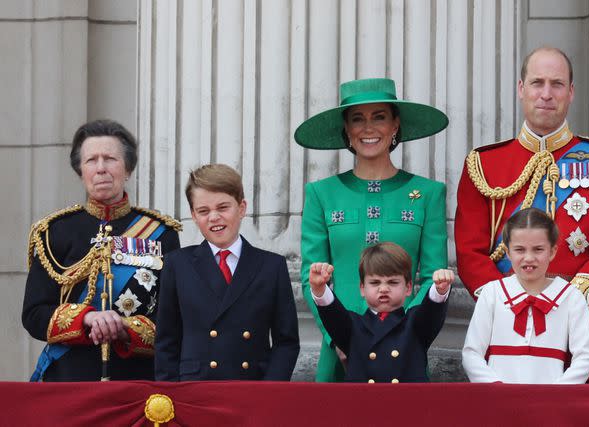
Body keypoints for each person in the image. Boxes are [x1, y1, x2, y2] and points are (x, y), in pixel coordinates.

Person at [454, 47, 589, 382]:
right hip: (502, 331)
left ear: (571, 92)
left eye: (557, 84)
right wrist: (509, 306)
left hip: (574, 331)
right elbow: (469, 253)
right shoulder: (483, 164)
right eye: (537, 83)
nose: (546, 94)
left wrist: (563, 307)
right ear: (521, 89)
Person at [295, 77, 449, 382]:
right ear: (347, 131)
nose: (368, 128)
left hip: (404, 348)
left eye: (379, 117)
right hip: (340, 347)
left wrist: (408, 334)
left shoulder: (428, 193)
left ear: (395, 125)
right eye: (357, 119)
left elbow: (434, 275)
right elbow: (309, 276)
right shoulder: (320, 193)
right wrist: (339, 337)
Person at [22, 119, 182, 381]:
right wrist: (87, 318)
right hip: (69, 378)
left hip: (137, 381)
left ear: (128, 168)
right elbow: (34, 314)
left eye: (110, 159)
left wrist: (124, 329)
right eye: (91, 161)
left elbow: (173, 319)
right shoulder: (55, 232)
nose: (100, 169)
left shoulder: (162, 233)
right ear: (80, 171)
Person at [154, 164, 300, 381]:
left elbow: (286, 342)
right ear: (194, 215)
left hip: (252, 387)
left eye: (223, 207)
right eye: (203, 211)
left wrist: (270, 390)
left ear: (242, 208)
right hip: (194, 390)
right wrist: (172, 395)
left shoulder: (271, 266)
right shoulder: (177, 264)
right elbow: (166, 341)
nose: (214, 217)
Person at [462, 208, 589, 383]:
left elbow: (585, 358)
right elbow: (471, 353)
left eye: (538, 249)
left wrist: (556, 394)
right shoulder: (492, 293)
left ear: (553, 251)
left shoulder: (572, 297)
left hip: (550, 403)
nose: (529, 258)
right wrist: (495, 388)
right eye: (520, 250)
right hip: (497, 400)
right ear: (508, 252)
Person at [308, 242, 452, 383]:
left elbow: (431, 312)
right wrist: (319, 289)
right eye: (375, 283)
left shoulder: (415, 323)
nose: (383, 289)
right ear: (362, 288)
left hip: (408, 404)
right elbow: (332, 314)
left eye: (393, 282)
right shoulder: (353, 326)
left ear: (408, 288)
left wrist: (439, 289)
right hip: (364, 404)